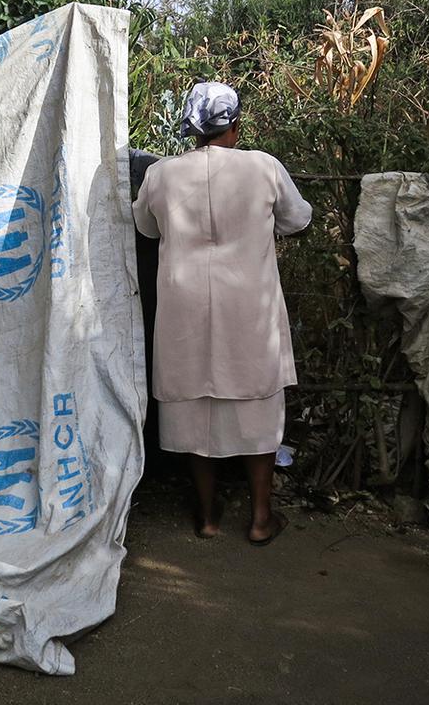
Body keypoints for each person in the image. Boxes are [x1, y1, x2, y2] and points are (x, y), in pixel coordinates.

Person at [131, 81, 312, 544]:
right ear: (235, 124)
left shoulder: (162, 175)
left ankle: (209, 517)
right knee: (258, 406)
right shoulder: (264, 167)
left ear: (191, 127)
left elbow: (146, 228)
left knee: (194, 409)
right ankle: (259, 519)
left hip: (184, 308)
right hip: (249, 306)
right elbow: (298, 219)